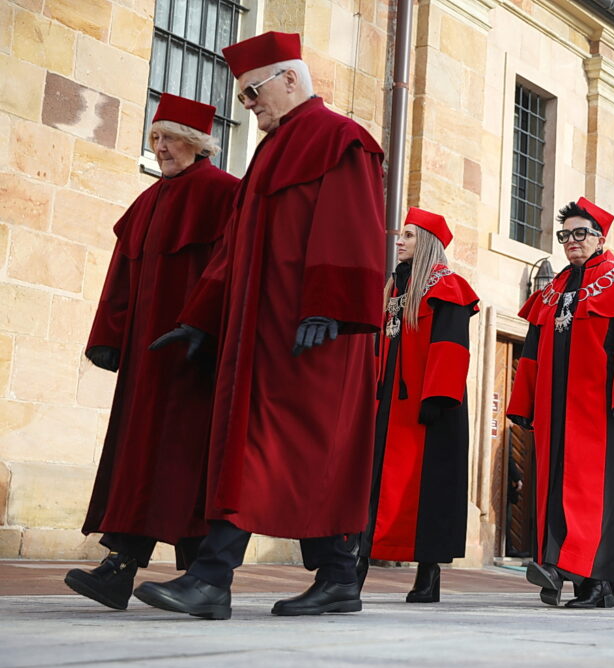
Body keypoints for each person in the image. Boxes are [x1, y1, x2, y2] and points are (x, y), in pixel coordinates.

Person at [133, 31, 386, 619]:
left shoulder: (340, 138)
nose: (248, 106)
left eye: (253, 93)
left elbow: (353, 228)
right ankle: (338, 576)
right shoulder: (274, 148)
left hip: (313, 333)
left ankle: (212, 577)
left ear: (291, 79)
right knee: (290, 454)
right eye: (243, 98)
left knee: (266, 449)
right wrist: (201, 319)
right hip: (263, 333)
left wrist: (331, 304)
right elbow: (236, 246)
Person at [64, 94, 238, 611]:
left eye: (167, 138)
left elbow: (228, 267)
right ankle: (130, 571)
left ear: (198, 141)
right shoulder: (147, 201)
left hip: (195, 354)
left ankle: (200, 578)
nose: (158, 147)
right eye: (154, 138)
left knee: (186, 461)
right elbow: (120, 275)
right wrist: (109, 337)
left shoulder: (226, 194)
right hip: (146, 359)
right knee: (140, 459)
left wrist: (201, 325)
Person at [506, 198, 614, 609]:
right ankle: (563, 572)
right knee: (556, 492)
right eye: (566, 235)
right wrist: (524, 404)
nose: (572, 242)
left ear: (600, 237)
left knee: (593, 499)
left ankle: (597, 584)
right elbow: (532, 352)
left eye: (581, 233)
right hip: (553, 413)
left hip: (600, 412)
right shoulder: (552, 291)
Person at [358, 208, 478, 603]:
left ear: (426, 243)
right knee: (374, 486)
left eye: (408, 235)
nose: (399, 240)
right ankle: (354, 567)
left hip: (429, 408)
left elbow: (450, 346)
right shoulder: (395, 287)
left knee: (431, 492)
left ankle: (428, 576)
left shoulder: (449, 287)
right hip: (388, 405)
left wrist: (438, 397)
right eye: (400, 234)